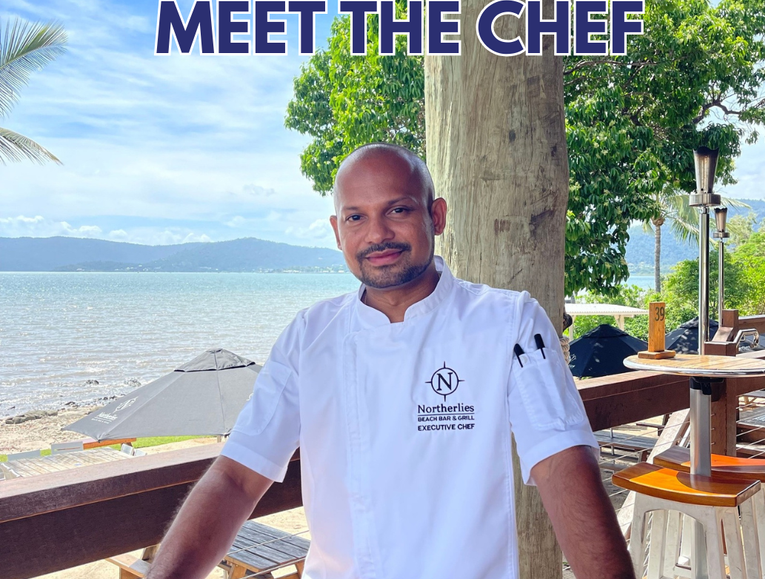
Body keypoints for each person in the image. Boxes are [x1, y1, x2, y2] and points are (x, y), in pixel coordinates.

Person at [148, 143, 634, 579]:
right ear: (338, 231)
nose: (376, 234)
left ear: (436, 216)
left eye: (397, 210)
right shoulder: (309, 336)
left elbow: (562, 463)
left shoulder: (508, 322)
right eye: (356, 217)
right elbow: (236, 477)